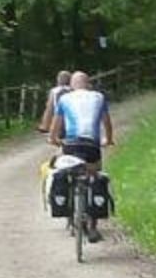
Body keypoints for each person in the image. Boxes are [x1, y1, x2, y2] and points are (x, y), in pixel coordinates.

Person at [49, 70, 115, 241]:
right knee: (95, 172)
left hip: (70, 144)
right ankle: (93, 225)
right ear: (88, 84)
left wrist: (54, 140)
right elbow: (107, 123)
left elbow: (55, 128)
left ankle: (71, 215)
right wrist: (108, 139)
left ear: (71, 86)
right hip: (91, 145)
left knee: (69, 169)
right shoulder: (99, 97)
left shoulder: (64, 99)